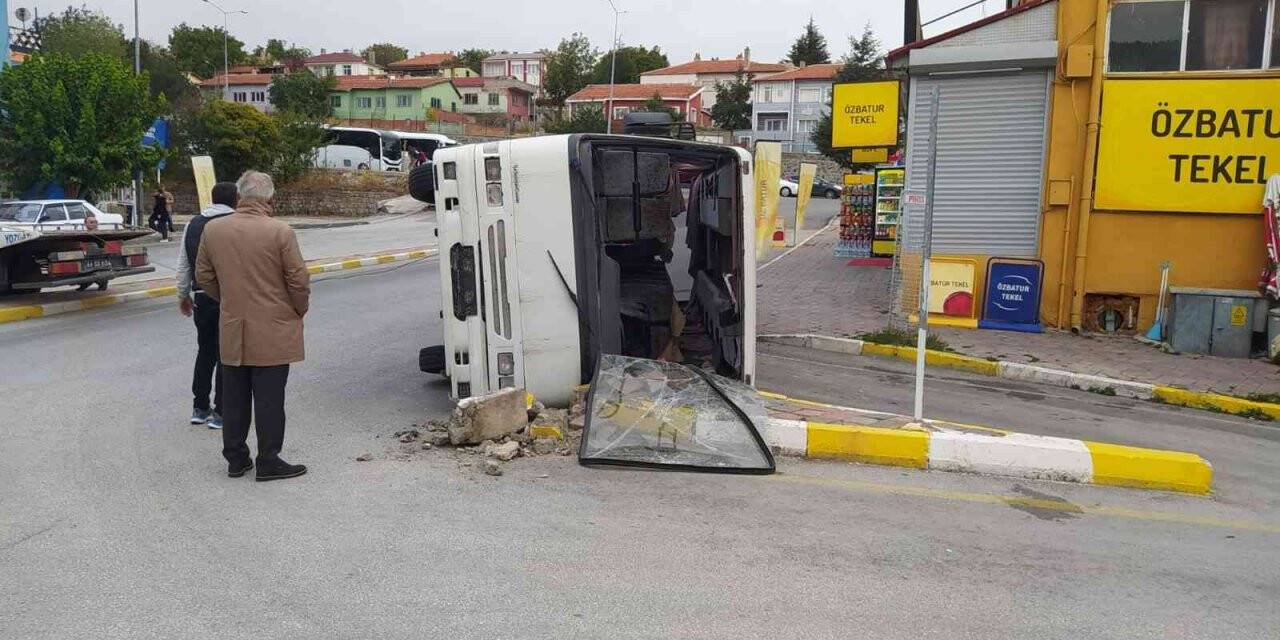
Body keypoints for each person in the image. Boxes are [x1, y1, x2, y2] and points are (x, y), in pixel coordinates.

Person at [196, 171, 310, 481]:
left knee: (233, 396)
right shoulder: (280, 232)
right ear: (270, 200)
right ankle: (268, 460)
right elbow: (298, 280)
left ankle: (236, 459)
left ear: (239, 198)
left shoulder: (213, 231)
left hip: (233, 326)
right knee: (270, 398)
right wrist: (298, 309)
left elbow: (204, 276)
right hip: (274, 327)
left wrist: (230, 299)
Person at [175, 182, 238, 430]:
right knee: (226, 355)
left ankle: (200, 407)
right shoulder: (236, 223)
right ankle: (221, 411)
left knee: (205, 351)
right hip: (229, 298)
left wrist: (183, 294)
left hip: (201, 297)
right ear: (235, 200)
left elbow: (183, 264)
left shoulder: (193, 224)